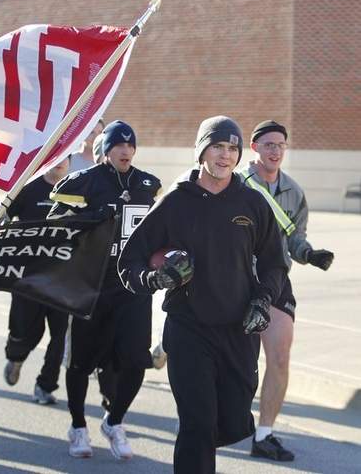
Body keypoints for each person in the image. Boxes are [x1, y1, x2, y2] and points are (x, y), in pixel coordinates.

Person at [118, 116, 287, 474]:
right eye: (217, 146)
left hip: (238, 331)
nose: (225, 155)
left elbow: (275, 263)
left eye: (232, 148)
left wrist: (262, 300)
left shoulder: (252, 203)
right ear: (201, 151)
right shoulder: (175, 202)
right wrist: (156, 278)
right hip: (188, 328)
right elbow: (129, 261)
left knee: (230, 422)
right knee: (197, 424)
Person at [48, 120, 161, 460]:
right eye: (117, 145)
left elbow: (156, 230)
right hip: (92, 283)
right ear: (105, 149)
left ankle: (114, 421)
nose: (125, 150)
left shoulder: (147, 184)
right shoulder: (82, 182)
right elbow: (54, 225)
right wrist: (94, 217)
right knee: (81, 362)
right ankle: (78, 425)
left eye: (130, 145)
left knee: (135, 361)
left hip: (132, 285)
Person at [240, 120, 334, 461]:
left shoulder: (293, 191)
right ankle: (170, 344)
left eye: (280, 144)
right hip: (233, 280)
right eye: (268, 144)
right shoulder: (236, 183)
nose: (275, 150)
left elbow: (294, 237)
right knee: (235, 360)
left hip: (275, 279)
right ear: (254, 148)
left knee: (279, 355)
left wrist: (310, 254)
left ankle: (264, 435)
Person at [3, 156, 71, 405]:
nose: (61, 162)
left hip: (64, 279)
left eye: (67, 158)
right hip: (28, 277)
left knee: (60, 335)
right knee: (26, 332)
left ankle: (45, 385)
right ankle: (16, 356)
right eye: (57, 157)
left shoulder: (77, 190)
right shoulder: (29, 188)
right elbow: (2, 219)